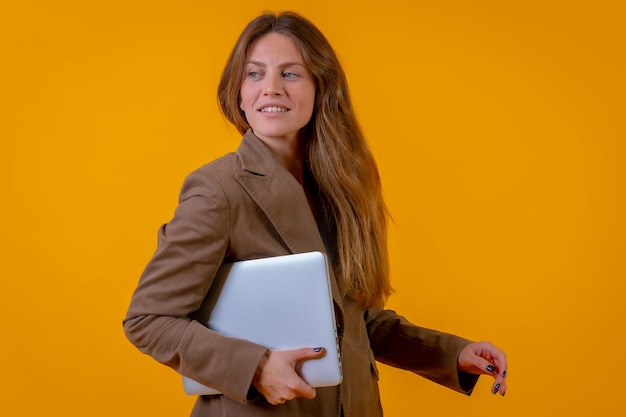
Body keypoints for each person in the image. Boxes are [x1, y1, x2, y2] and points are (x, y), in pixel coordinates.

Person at [123, 11, 508, 417]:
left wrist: (452, 353)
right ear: (237, 91)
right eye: (254, 74)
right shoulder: (218, 189)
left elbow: (353, 321)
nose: (270, 89)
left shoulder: (344, 187)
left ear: (321, 87)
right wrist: (255, 367)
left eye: (290, 74)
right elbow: (149, 319)